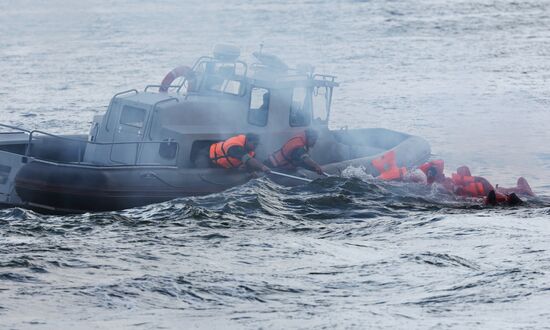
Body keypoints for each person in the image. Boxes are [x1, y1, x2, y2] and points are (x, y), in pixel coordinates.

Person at [418, 159, 535, 205]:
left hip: (483, 192)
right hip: (483, 193)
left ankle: (520, 192)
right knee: (495, 192)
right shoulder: (436, 186)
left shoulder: (439, 186)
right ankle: (519, 192)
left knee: (493, 192)